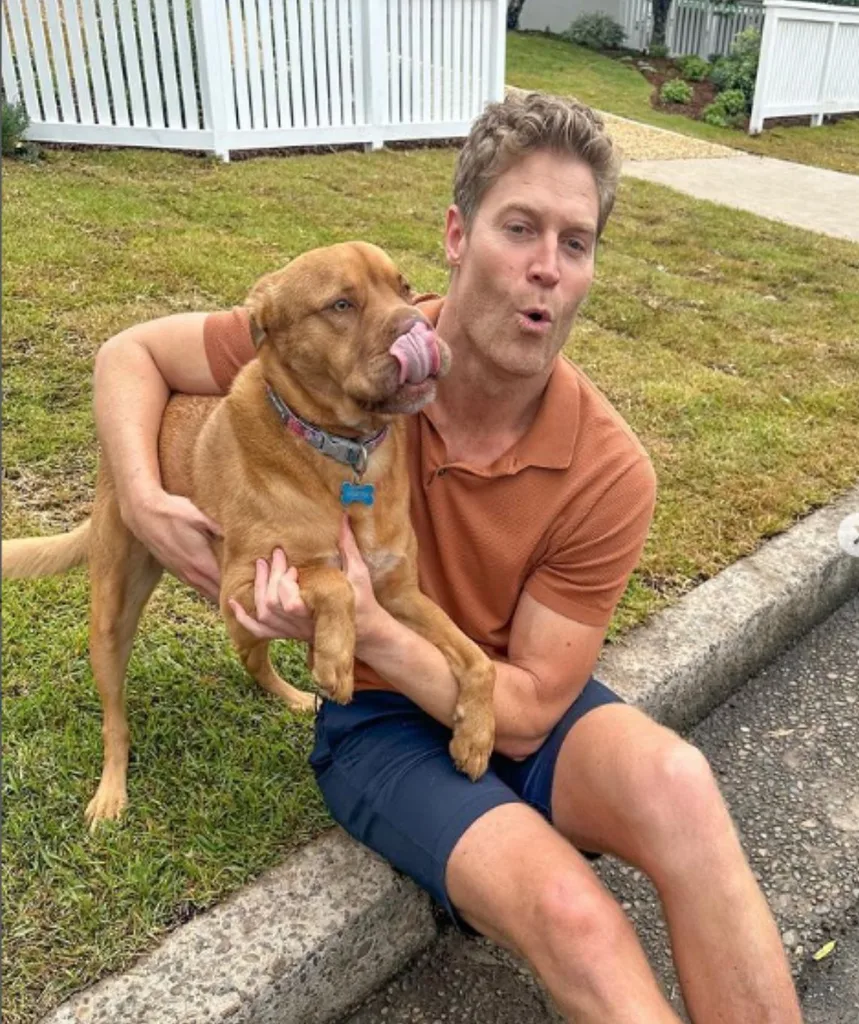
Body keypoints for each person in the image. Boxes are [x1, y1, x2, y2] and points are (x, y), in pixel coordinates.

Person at [93, 92, 801, 1023]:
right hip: (379, 725)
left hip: (505, 697)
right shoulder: (347, 350)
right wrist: (146, 502)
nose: (545, 268)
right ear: (457, 236)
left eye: (575, 243)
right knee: (571, 916)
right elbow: (129, 354)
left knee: (681, 783)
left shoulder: (607, 469)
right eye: (520, 228)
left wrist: (376, 618)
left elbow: (531, 708)